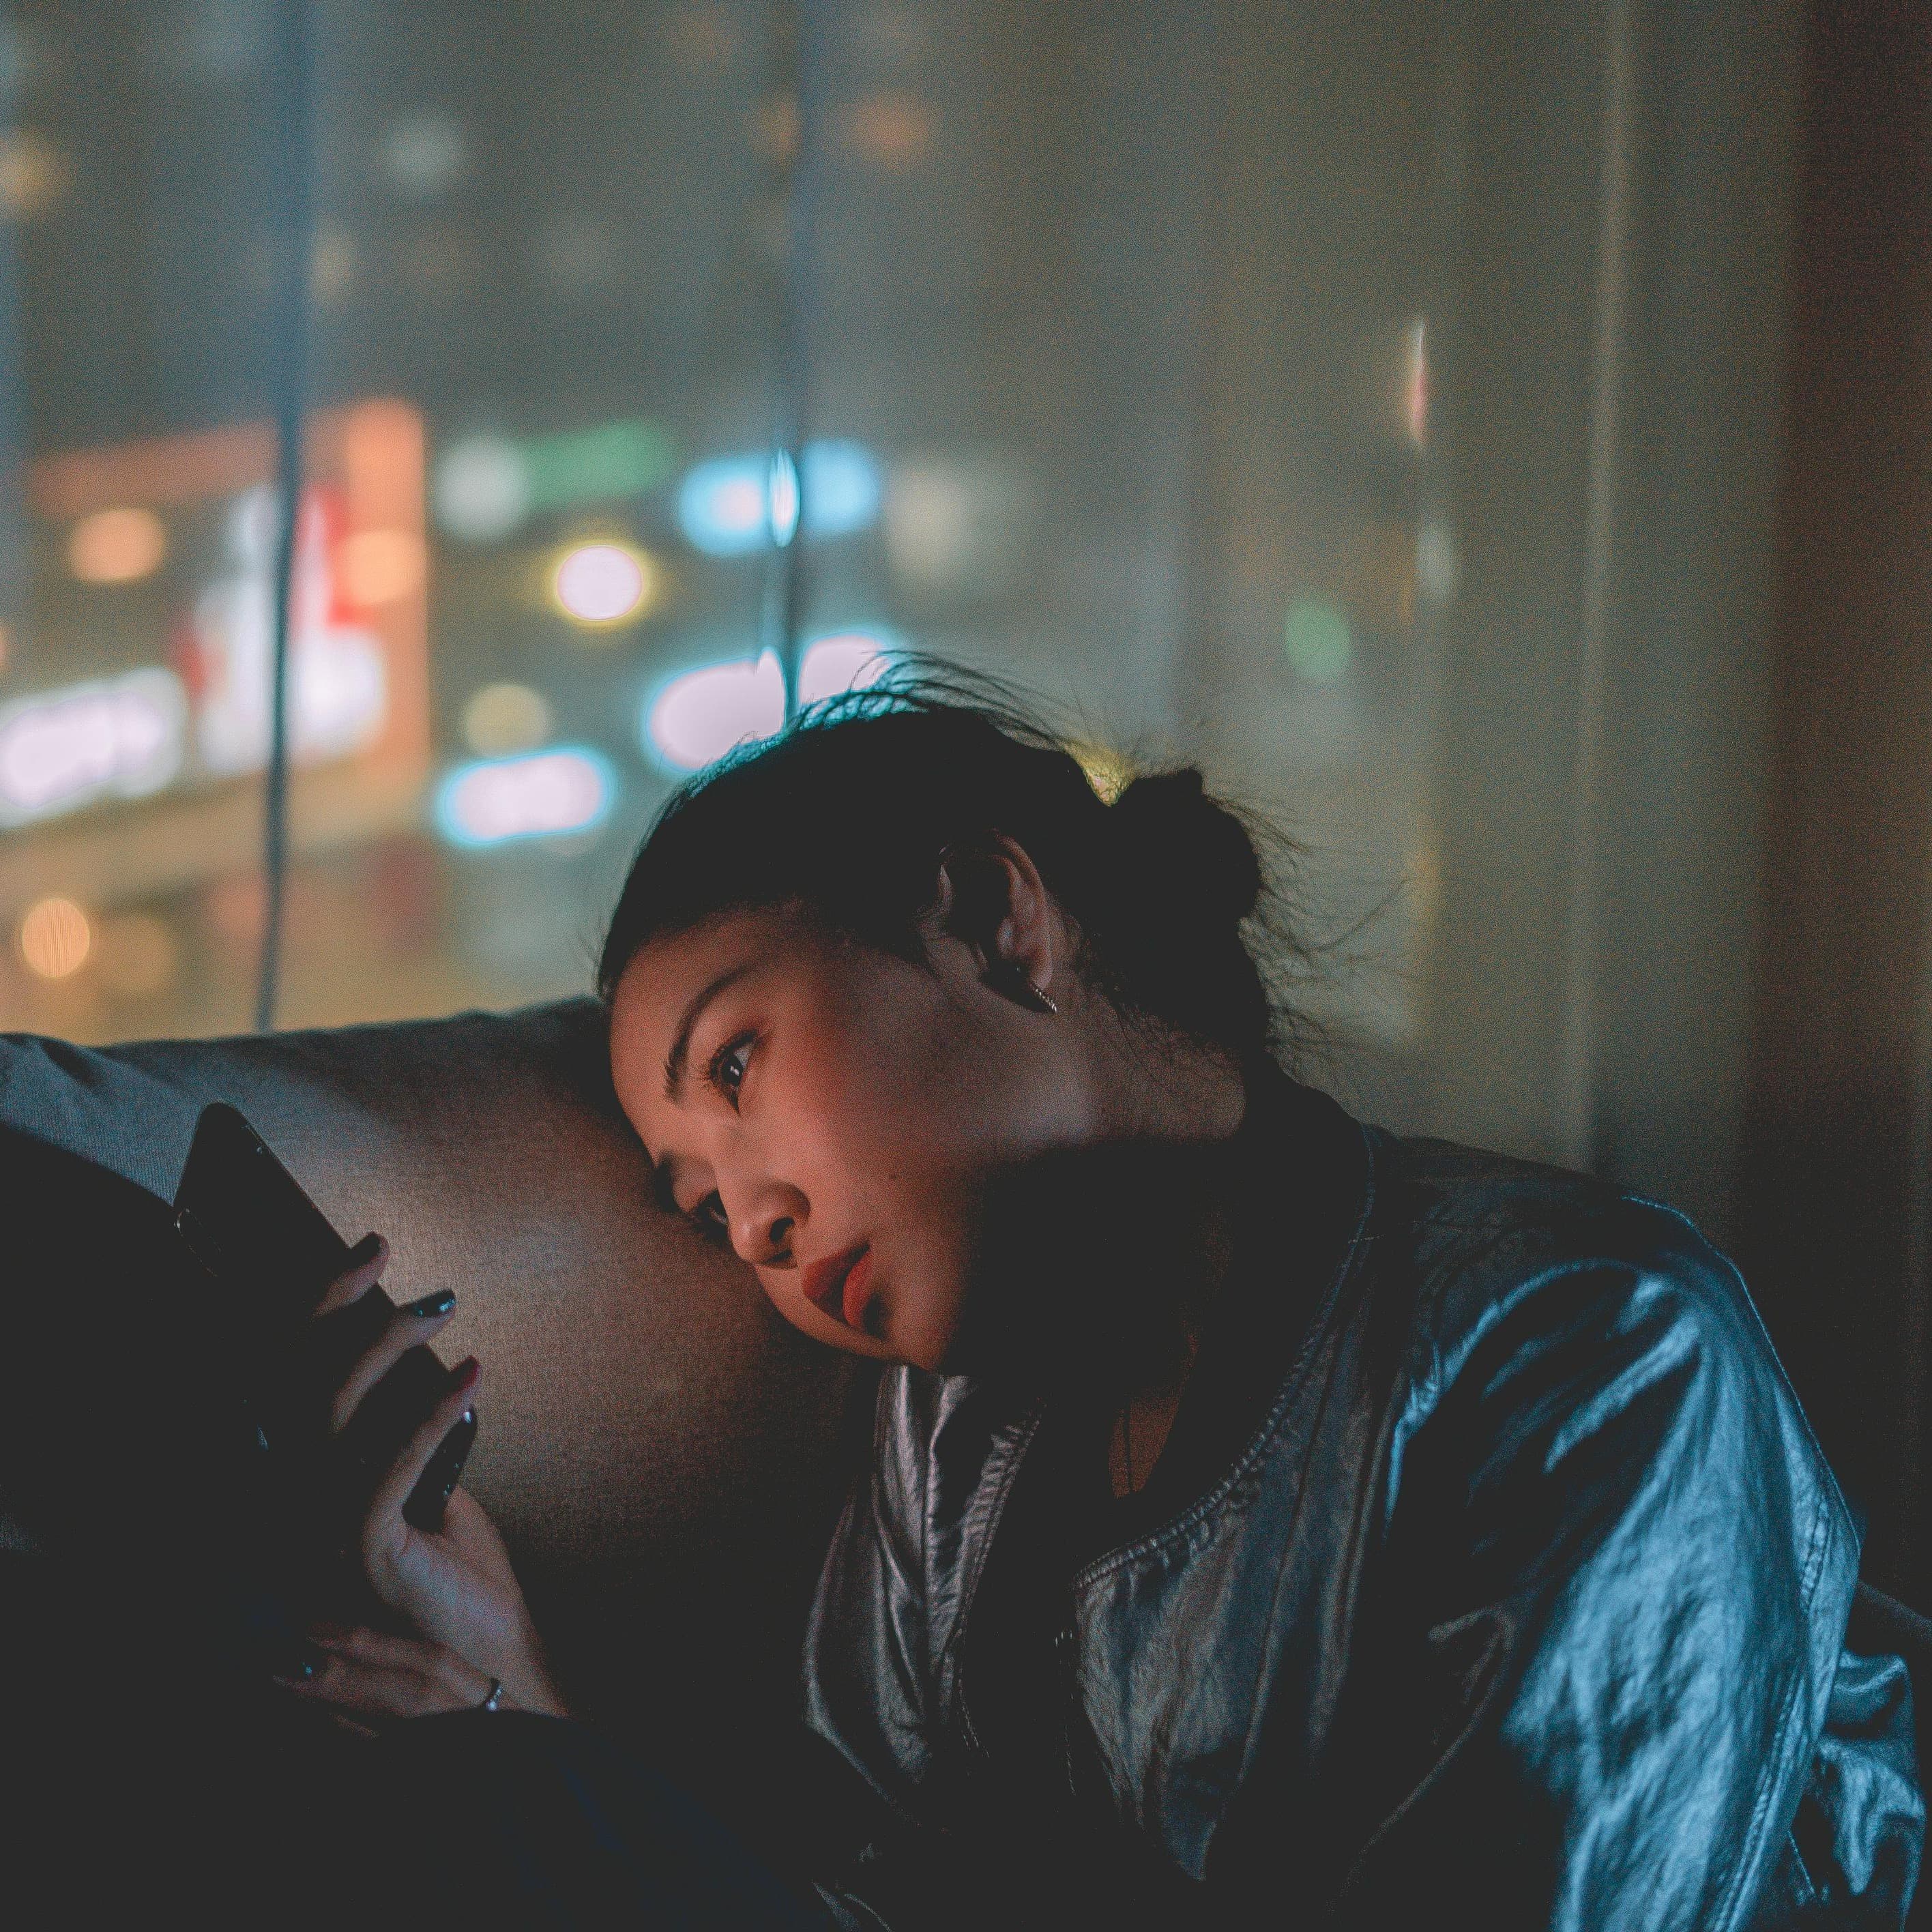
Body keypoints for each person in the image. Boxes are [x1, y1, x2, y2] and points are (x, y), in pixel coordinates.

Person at [52, 673, 1923, 1926]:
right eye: (697, 1209)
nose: (754, 1227)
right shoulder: (954, 1459)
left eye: (736, 1068)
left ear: (995, 916)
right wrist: (527, 1701)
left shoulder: (1587, 1348)